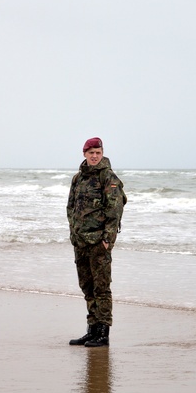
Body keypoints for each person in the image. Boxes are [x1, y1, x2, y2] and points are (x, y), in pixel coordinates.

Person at [67, 137, 125, 347]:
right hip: (80, 243)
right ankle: (91, 331)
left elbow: (115, 211)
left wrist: (107, 240)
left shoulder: (107, 177)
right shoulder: (78, 179)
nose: (94, 156)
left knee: (102, 289)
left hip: (99, 243)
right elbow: (71, 208)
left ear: (102, 153)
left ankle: (103, 333)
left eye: (98, 152)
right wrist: (74, 234)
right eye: (91, 152)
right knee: (87, 287)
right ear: (84, 154)